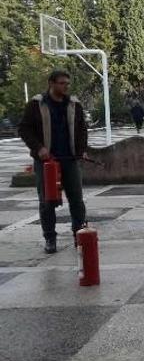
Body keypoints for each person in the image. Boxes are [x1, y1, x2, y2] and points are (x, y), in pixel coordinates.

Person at [18, 70, 88, 254]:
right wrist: (38, 148)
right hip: (47, 162)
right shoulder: (36, 104)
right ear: (51, 83)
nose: (66, 86)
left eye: (67, 83)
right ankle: (50, 238)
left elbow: (82, 129)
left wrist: (81, 151)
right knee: (47, 201)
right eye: (62, 83)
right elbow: (24, 129)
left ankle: (79, 234)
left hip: (70, 160)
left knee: (77, 200)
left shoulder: (74, 105)